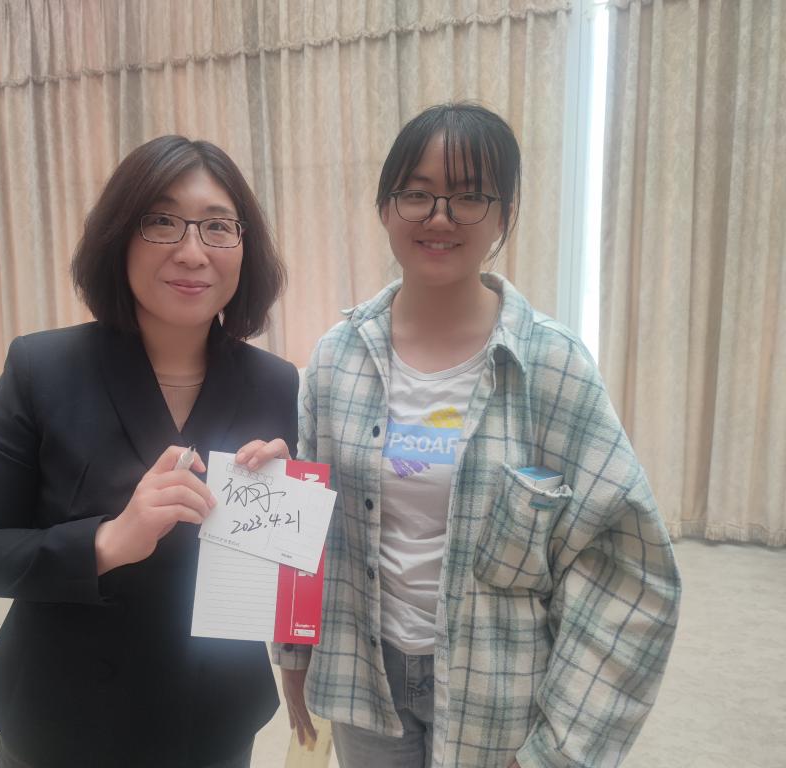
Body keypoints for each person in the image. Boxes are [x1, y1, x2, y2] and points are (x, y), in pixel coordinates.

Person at [237, 103, 681, 768]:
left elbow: (630, 571)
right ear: (386, 207)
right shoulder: (337, 358)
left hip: (497, 690)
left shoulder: (552, 368)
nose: (439, 216)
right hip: (365, 677)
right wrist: (294, 652)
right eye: (416, 193)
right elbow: (314, 531)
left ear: (505, 215)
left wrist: (562, 748)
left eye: (469, 196)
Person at [0, 135, 299, 768]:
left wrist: (286, 515)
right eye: (162, 222)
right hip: (65, 715)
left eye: (218, 227)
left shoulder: (275, 383)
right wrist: (106, 542)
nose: (193, 251)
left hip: (211, 717)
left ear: (245, 248)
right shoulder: (44, 367)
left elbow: (279, 578)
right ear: (118, 238)